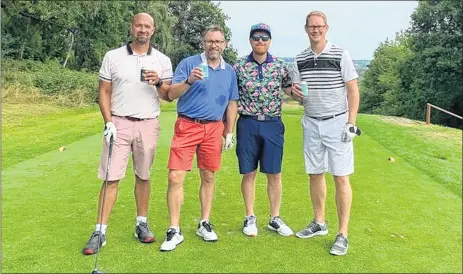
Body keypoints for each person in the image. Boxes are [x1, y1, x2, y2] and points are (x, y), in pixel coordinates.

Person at [82, 13, 173, 255]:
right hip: (119, 123)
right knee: (111, 178)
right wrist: (108, 121)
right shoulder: (113, 56)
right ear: (132, 28)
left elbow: (167, 96)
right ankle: (99, 230)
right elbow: (104, 91)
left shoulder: (162, 60)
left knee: (143, 176)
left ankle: (141, 224)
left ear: (153, 30)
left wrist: (158, 83)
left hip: (148, 123)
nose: (143, 29)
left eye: (147, 26)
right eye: (138, 25)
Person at [159, 25, 239, 252]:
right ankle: (174, 229)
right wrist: (190, 81)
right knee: (175, 177)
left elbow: (232, 103)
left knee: (208, 175)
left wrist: (229, 131)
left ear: (224, 44)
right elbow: (171, 95)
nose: (214, 45)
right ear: (203, 43)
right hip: (187, 124)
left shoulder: (229, 71)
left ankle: (204, 222)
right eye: (209, 41)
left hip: (214, 128)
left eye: (218, 41)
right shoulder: (188, 63)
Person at [293, 11, 360, 256]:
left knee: (341, 177)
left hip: (337, 122)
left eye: (320, 26)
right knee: (315, 173)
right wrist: (294, 93)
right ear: (306, 29)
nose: (316, 30)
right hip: (311, 122)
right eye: (312, 26)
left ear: (326, 28)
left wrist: (351, 122)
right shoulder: (299, 58)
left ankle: (342, 233)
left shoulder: (340, 54)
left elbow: (353, 90)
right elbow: (298, 90)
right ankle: (319, 222)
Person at [233, 23, 304, 237]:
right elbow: (231, 97)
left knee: (274, 173)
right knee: (249, 172)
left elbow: (288, 88)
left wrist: (297, 93)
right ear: (250, 40)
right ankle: (250, 217)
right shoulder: (239, 67)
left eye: (264, 37)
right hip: (247, 122)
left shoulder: (280, 66)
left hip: (272, 123)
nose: (260, 41)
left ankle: (274, 217)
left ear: (270, 40)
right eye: (256, 37)